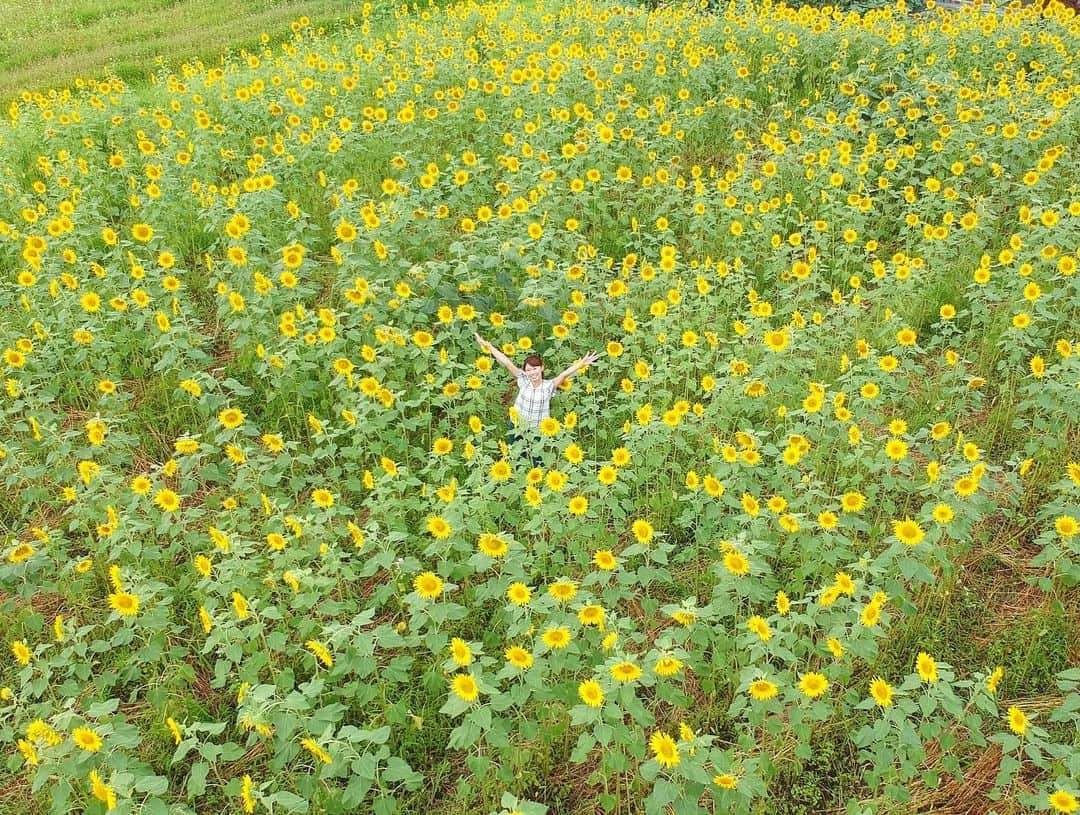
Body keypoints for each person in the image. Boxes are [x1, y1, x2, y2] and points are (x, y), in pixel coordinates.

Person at [474, 333, 598, 446]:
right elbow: (506, 362)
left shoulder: (548, 386)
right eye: (528, 370)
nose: (532, 373)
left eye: (535, 368)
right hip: (517, 426)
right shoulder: (523, 380)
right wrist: (489, 347)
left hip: (537, 430)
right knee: (516, 456)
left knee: (536, 461)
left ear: (542, 368)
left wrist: (582, 364)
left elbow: (564, 374)